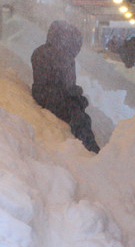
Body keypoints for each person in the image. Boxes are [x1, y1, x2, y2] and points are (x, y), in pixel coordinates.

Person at [31, 21, 100, 153]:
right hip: (49, 96)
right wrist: (73, 94)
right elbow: (59, 84)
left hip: (49, 94)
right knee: (79, 118)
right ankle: (90, 149)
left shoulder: (49, 52)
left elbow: (63, 83)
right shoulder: (56, 54)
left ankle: (90, 147)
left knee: (79, 112)